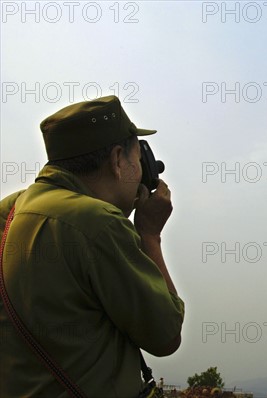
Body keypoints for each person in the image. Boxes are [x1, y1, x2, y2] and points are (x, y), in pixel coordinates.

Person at [0, 96, 185, 397]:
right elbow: (166, 335)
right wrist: (149, 235)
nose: (142, 171)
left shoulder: (13, 211)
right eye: (137, 160)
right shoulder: (98, 224)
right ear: (116, 160)